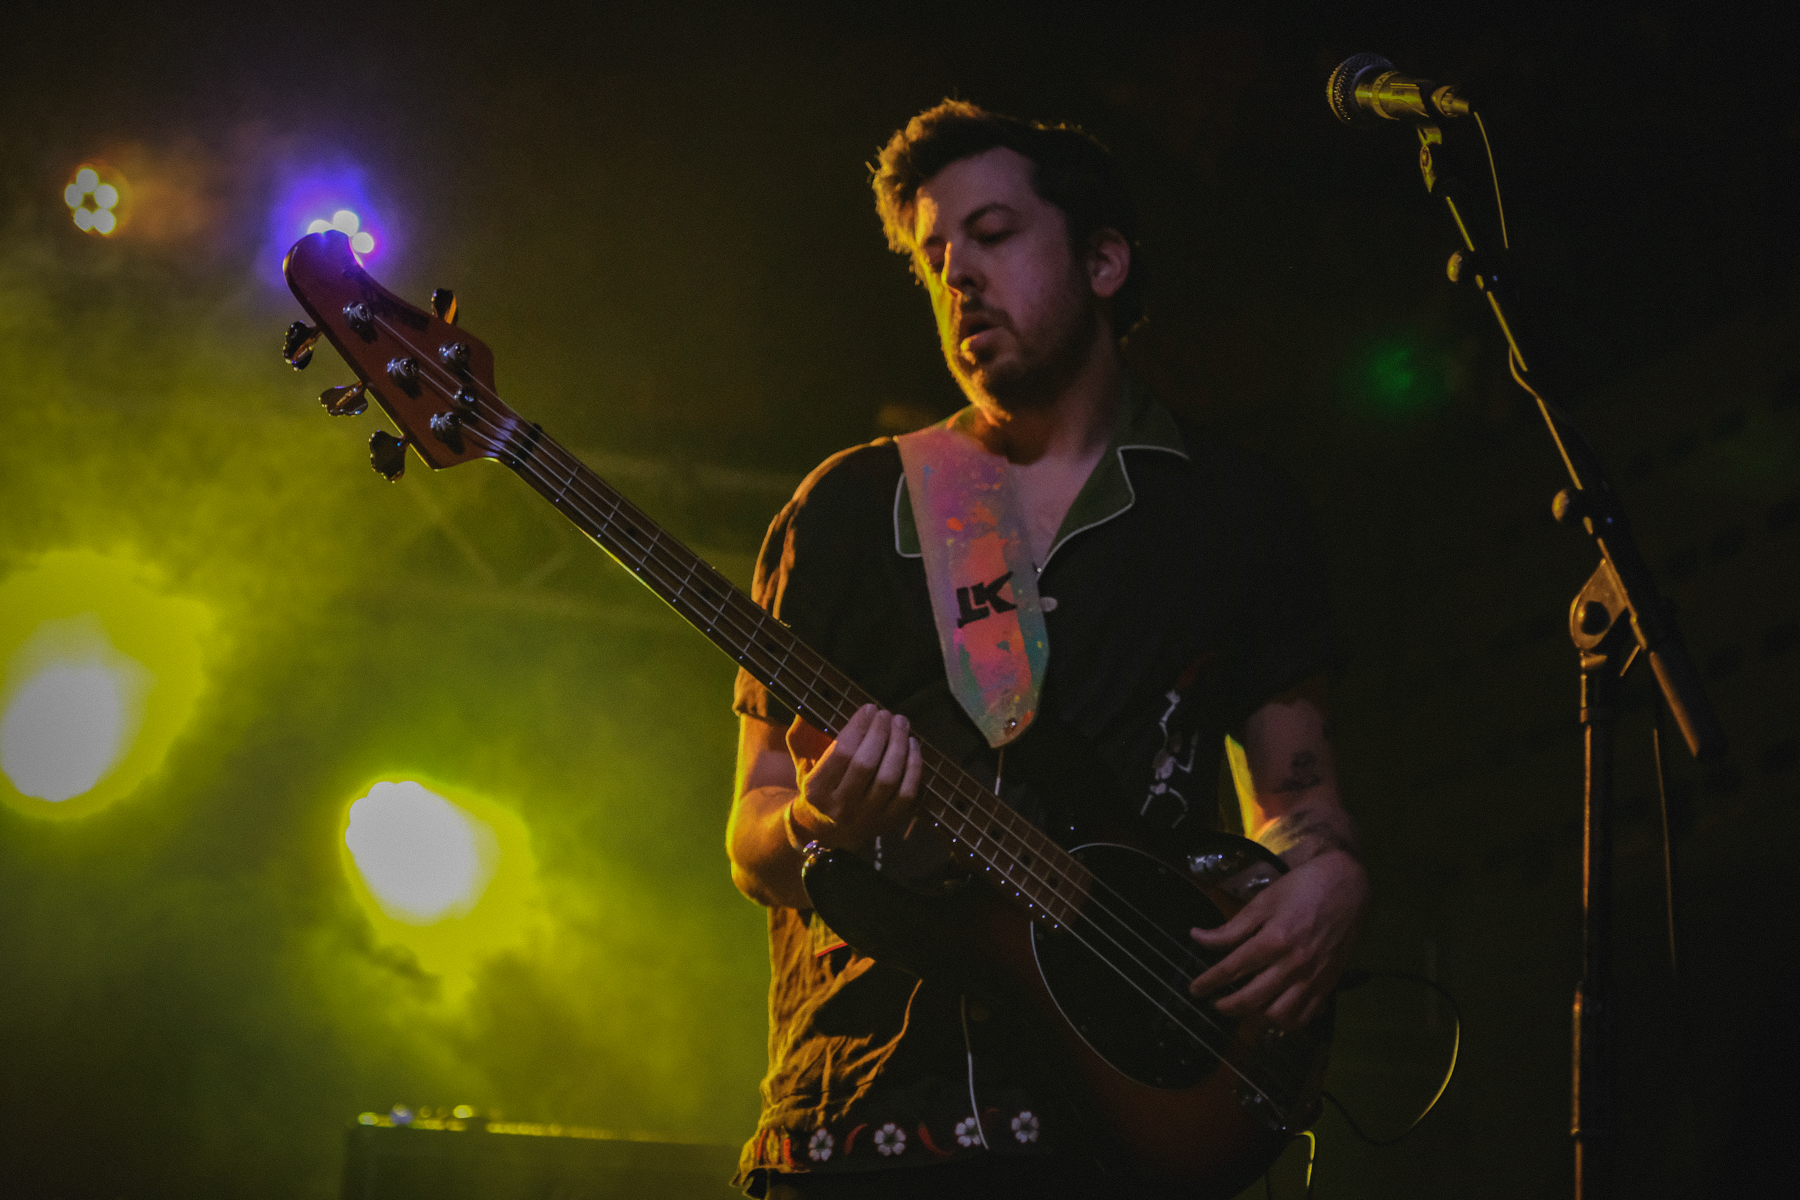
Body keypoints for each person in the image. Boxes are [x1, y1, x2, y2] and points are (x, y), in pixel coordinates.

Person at [725, 100, 1368, 1199]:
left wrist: (1331, 880)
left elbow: (1299, 800)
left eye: (992, 234)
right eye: (935, 258)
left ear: (1105, 261)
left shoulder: (1236, 511)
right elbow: (752, 838)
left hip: (1125, 1115)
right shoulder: (848, 509)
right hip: (874, 1122)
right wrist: (817, 826)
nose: (959, 278)